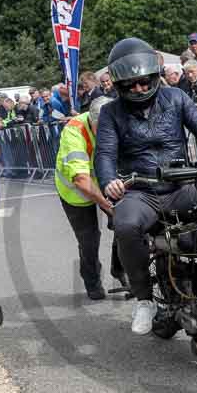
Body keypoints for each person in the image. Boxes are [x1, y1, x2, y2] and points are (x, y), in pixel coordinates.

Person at [95, 38, 197, 336]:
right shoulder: (111, 113)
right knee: (125, 225)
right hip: (141, 190)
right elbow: (105, 153)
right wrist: (109, 180)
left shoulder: (176, 97)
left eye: (144, 82)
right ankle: (145, 299)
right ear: (120, 85)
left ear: (154, 76)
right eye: (131, 84)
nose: (139, 89)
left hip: (182, 185)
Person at [55, 96, 126, 300]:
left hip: (107, 181)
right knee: (89, 240)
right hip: (76, 191)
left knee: (127, 222)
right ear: (93, 123)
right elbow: (81, 180)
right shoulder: (74, 131)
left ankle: (119, 269)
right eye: (101, 130)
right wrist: (107, 206)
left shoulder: (118, 119)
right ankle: (92, 281)